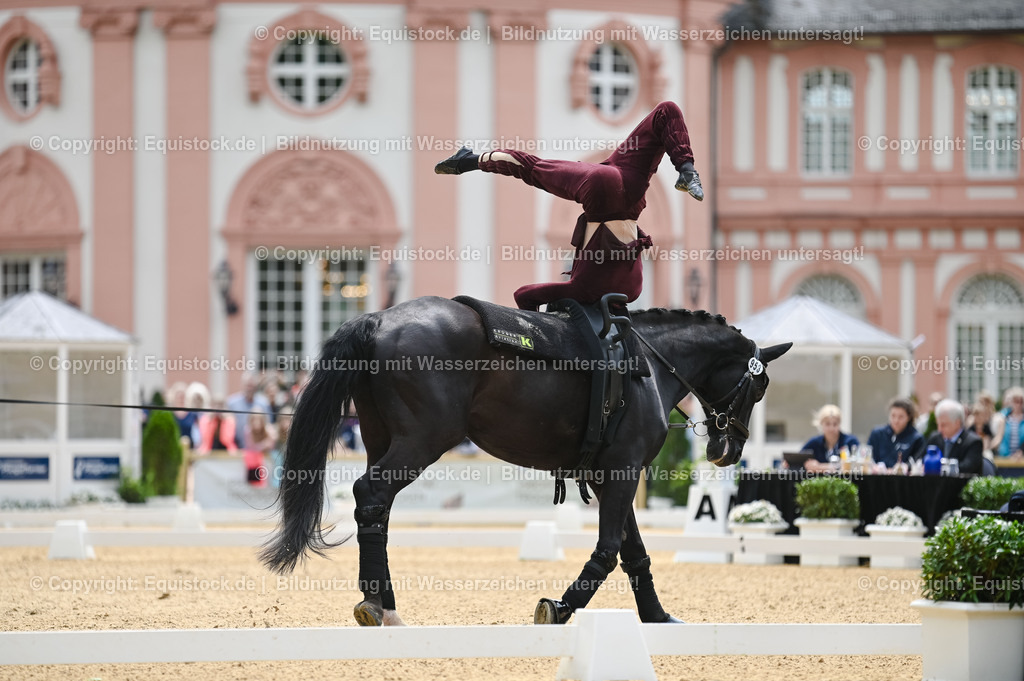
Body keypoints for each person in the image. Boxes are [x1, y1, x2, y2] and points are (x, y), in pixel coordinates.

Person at [435, 101, 703, 311]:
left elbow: (525, 294)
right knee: (530, 167)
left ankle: (687, 168)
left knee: (665, 112)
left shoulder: (632, 289)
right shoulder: (591, 288)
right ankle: (468, 161)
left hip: (629, 193)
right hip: (607, 186)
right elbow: (524, 296)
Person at [924, 399, 984, 475]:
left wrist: (938, 468)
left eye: (943, 425)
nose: (939, 429)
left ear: (957, 423)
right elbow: (919, 460)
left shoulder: (973, 442)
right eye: (938, 424)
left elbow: (967, 468)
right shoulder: (935, 438)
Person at [867, 397, 925, 469]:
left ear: (909, 417)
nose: (896, 420)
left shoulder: (917, 438)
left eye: (901, 417)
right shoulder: (877, 434)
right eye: (893, 416)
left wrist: (903, 468)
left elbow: (916, 463)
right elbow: (868, 457)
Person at [800, 404, 860, 472]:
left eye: (835, 424)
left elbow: (857, 464)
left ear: (839, 424)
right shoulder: (814, 443)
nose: (831, 428)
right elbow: (798, 460)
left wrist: (820, 467)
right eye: (827, 424)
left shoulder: (850, 441)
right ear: (821, 424)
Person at [226, 371, 270, 448]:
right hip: (236, 449)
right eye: (247, 385)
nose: (249, 388)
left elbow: (268, 425)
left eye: (251, 386)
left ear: (255, 386)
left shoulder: (263, 403)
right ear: (242, 385)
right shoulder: (232, 403)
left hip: (258, 449)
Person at [243, 412, 277, 487]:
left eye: (259, 420)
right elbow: (251, 447)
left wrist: (264, 445)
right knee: (253, 484)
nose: (256, 422)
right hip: (253, 461)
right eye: (254, 420)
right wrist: (264, 444)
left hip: (268, 461)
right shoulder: (248, 430)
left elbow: (271, 445)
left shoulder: (269, 430)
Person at [966, 391, 1004, 457]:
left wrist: (986, 449)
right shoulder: (972, 419)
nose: (984, 405)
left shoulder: (999, 419)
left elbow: (998, 438)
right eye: (981, 402)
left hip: (991, 452)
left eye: (986, 402)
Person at [997, 386, 1024, 460]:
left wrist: (1021, 452)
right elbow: (998, 438)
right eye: (1016, 401)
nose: (1018, 404)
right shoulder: (1004, 418)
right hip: (1006, 457)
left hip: (1021, 459)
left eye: (1021, 401)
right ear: (1011, 402)